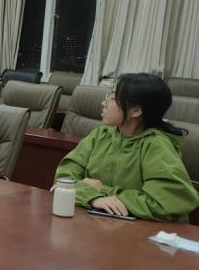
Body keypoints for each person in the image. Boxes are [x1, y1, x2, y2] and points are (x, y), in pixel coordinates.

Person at [54, 73, 199, 222]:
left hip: (148, 231)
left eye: (112, 98)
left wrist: (102, 190)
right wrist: (93, 198)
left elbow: (166, 203)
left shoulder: (156, 145)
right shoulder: (100, 135)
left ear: (136, 111)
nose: (104, 103)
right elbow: (64, 179)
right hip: (104, 223)